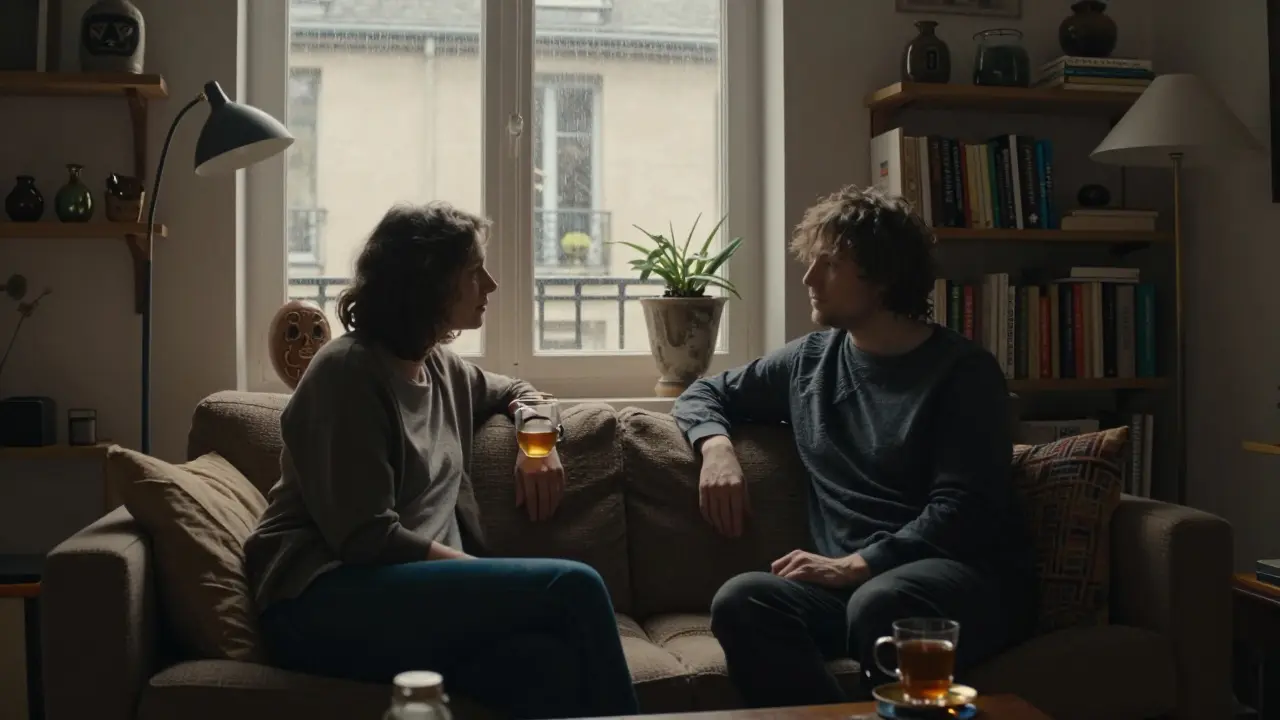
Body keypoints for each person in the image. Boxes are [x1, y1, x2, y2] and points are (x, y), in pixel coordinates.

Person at [243, 202, 639, 719]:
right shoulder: (346, 373)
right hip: (324, 598)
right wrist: (484, 578)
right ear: (429, 282)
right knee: (576, 586)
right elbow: (365, 537)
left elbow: (520, 390)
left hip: (409, 600)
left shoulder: (441, 368)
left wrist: (535, 443)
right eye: (475, 271)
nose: (492, 285)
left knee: (545, 667)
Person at [671, 185, 1037, 708]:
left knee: (881, 601)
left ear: (883, 275)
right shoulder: (809, 361)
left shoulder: (963, 373)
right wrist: (716, 449)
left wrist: (855, 565)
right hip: (850, 586)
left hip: (956, 579)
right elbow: (702, 392)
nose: (808, 279)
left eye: (831, 265)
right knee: (743, 600)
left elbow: (962, 512)